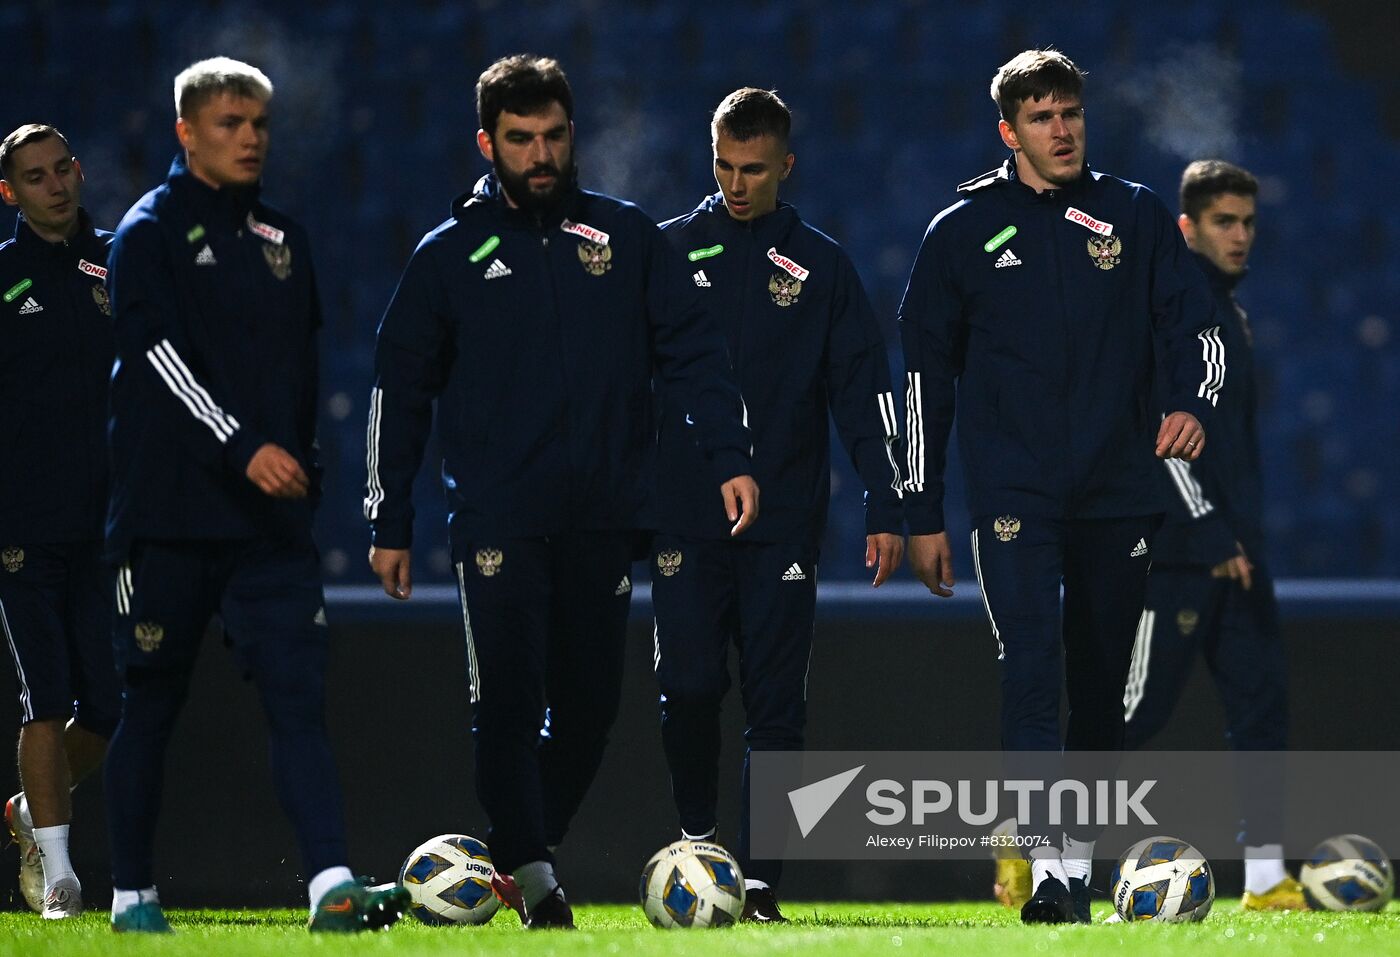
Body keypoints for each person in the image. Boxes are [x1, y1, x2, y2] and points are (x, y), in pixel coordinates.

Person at [364, 54, 756, 930]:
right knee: (506, 703)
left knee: (588, 712)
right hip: (498, 520)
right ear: (487, 144)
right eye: (519, 139)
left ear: (573, 135)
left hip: (604, 517)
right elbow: (399, 391)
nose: (539, 155)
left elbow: (693, 350)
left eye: (551, 136)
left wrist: (728, 453)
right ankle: (538, 881)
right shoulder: (448, 256)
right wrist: (389, 514)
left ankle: (497, 860)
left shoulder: (625, 237)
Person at [898, 49, 1223, 924]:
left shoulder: (1135, 214)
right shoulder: (960, 232)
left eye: (1070, 111)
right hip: (1015, 495)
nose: (1062, 128)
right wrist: (919, 508)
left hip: (1121, 491)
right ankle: (1049, 872)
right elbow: (923, 383)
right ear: (1009, 132)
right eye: (1041, 116)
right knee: (1032, 666)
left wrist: (1191, 403)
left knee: (1101, 680)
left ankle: (1076, 865)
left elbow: (1196, 330)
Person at [102, 57, 408, 934]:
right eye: (230, 123)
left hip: (268, 527)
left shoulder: (284, 238)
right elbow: (157, 360)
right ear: (186, 132)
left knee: (297, 700)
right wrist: (243, 446)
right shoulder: (148, 232)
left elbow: (299, 374)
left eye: (260, 124)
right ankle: (131, 894)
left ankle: (329, 884)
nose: (250, 139)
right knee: (149, 704)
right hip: (169, 518)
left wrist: (299, 462)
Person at [652, 88, 904, 923]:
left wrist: (885, 501)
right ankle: (698, 843)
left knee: (776, 707)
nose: (735, 184)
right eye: (724, 166)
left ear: (785, 166)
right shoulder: (667, 253)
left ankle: (760, 883)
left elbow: (864, 395)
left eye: (753, 170)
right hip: (685, 516)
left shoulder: (822, 267)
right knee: (689, 686)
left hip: (786, 520)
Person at [1122, 160, 1300, 910]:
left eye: (1249, 221)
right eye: (1225, 221)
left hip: (1237, 552)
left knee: (1262, 704)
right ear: (1187, 228)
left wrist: (1239, 537)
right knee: (1130, 714)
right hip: (1179, 554)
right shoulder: (1174, 314)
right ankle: (1035, 840)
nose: (1241, 235)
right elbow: (1162, 438)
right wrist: (1209, 530)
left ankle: (1265, 878)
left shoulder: (1230, 312)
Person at [0, 124, 118, 920]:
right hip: (21, 526)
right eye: (35, 176)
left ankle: (27, 808)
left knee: (111, 705)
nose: (55, 185)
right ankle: (61, 877)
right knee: (42, 698)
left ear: (78, 170)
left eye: (62, 169)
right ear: (9, 192)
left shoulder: (120, 261)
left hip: (107, 522)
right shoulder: (2, 277)